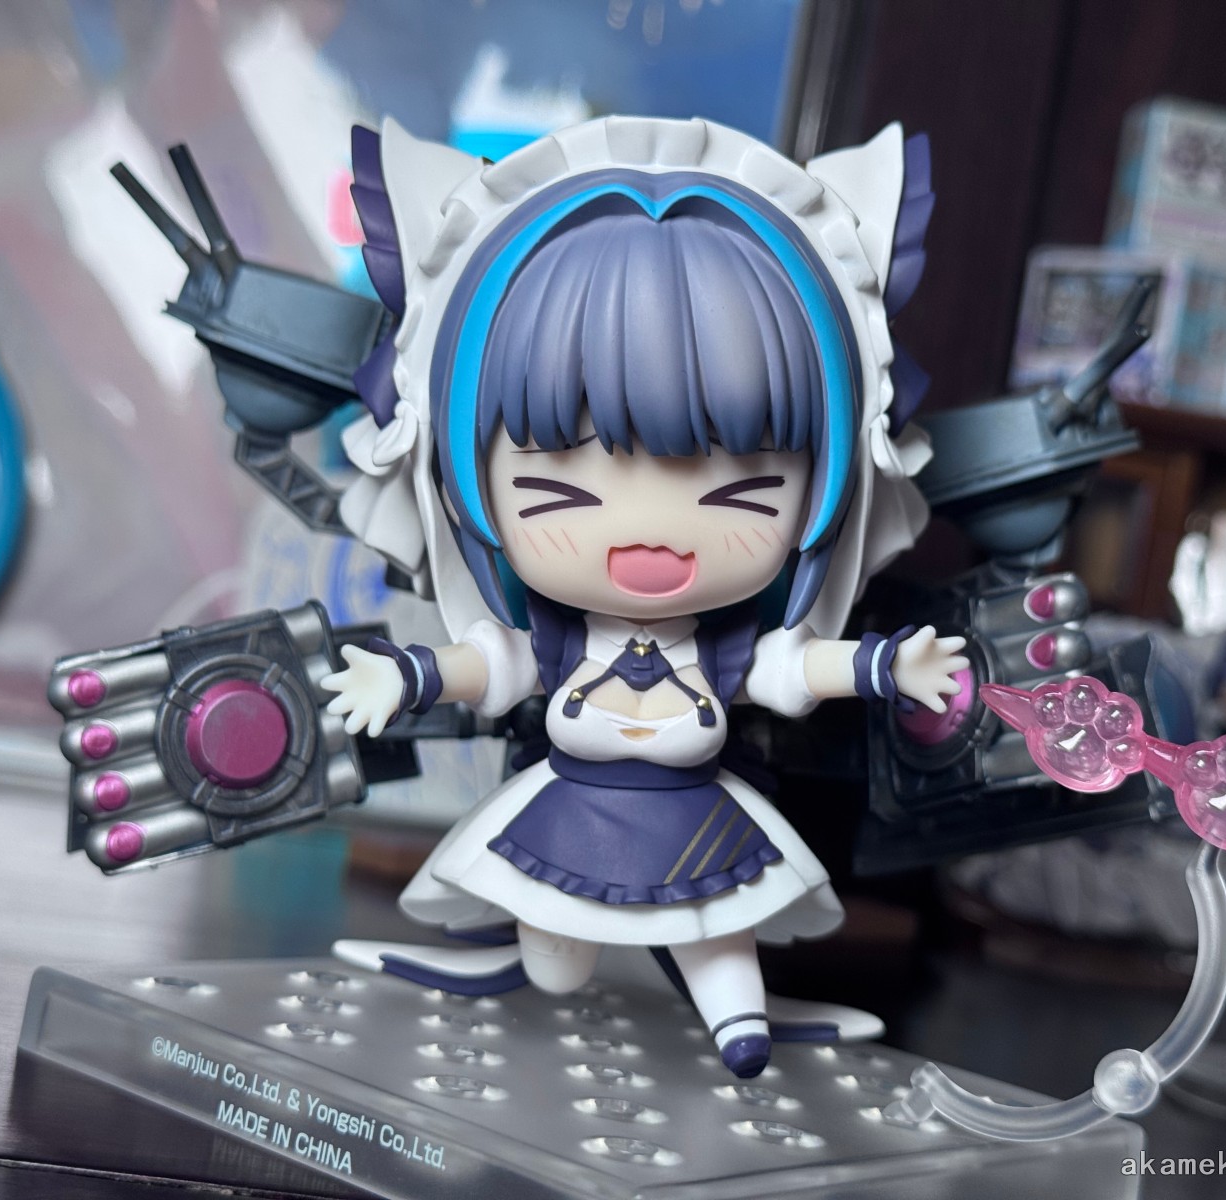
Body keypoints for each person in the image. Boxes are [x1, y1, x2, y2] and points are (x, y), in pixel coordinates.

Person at [323, 115, 963, 1078]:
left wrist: (888, 665)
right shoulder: (555, 635)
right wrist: (405, 678)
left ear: (824, 487)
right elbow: (491, 666)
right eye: (562, 487)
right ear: (466, 481)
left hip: (695, 813)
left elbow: (795, 671)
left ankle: (739, 1023)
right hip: (568, 811)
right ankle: (539, 964)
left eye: (741, 490)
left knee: (718, 920)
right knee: (555, 938)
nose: (650, 530)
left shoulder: (724, 647)